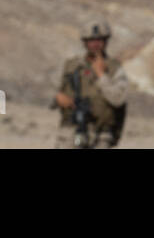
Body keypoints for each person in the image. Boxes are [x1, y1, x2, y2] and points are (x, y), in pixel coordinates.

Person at [52, 19, 129, 148]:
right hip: (71, 130)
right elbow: (56, 92)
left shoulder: (114, 68)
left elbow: (118, 99)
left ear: (106, 41)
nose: (95, 44)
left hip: (101, 134)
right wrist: (58, 99)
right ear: (85, 42)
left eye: (100, 40)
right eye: (91, 40)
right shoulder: (72, 66)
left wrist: (101, 75)